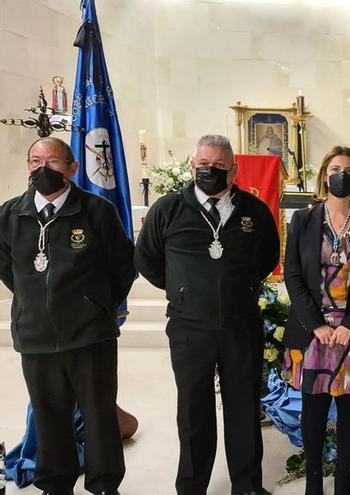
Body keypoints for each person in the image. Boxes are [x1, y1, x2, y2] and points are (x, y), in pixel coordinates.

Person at [135, 134, 280, 495]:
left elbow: (268, 258)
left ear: (234, 169)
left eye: (218, 166)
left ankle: (246, 485)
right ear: (192, 166)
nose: (210, 171)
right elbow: (147, 258)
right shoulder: (168, 209)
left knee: (244, 408)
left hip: (240, 324)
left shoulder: (254, 211)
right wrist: (182, 291)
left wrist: (240, 288)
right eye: (203, 165)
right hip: (189, 328)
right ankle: (192, 486)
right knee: (193, 411)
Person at [0, 137, 136, 495]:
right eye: (35, 161)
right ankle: (55, 485)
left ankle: (105, 485)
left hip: (90, 335)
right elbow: (6, 267)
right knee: (49, 417)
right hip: (36, 334)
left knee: (99, 415)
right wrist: (34, 299)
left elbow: (122, 267)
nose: (43, 168)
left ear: (72, 168)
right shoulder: (10, 213)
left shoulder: (97, 210)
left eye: (53, 161)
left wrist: (96, 305)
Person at [282, 146, 350, 495]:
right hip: (314, 331)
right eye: (336, 167)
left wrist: (349, 325)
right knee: (313, 408)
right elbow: (293, 275)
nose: (342, 174)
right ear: (325, 174)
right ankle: (314, 480)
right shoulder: (303, 220)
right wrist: (318, 325)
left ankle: (342, 479)